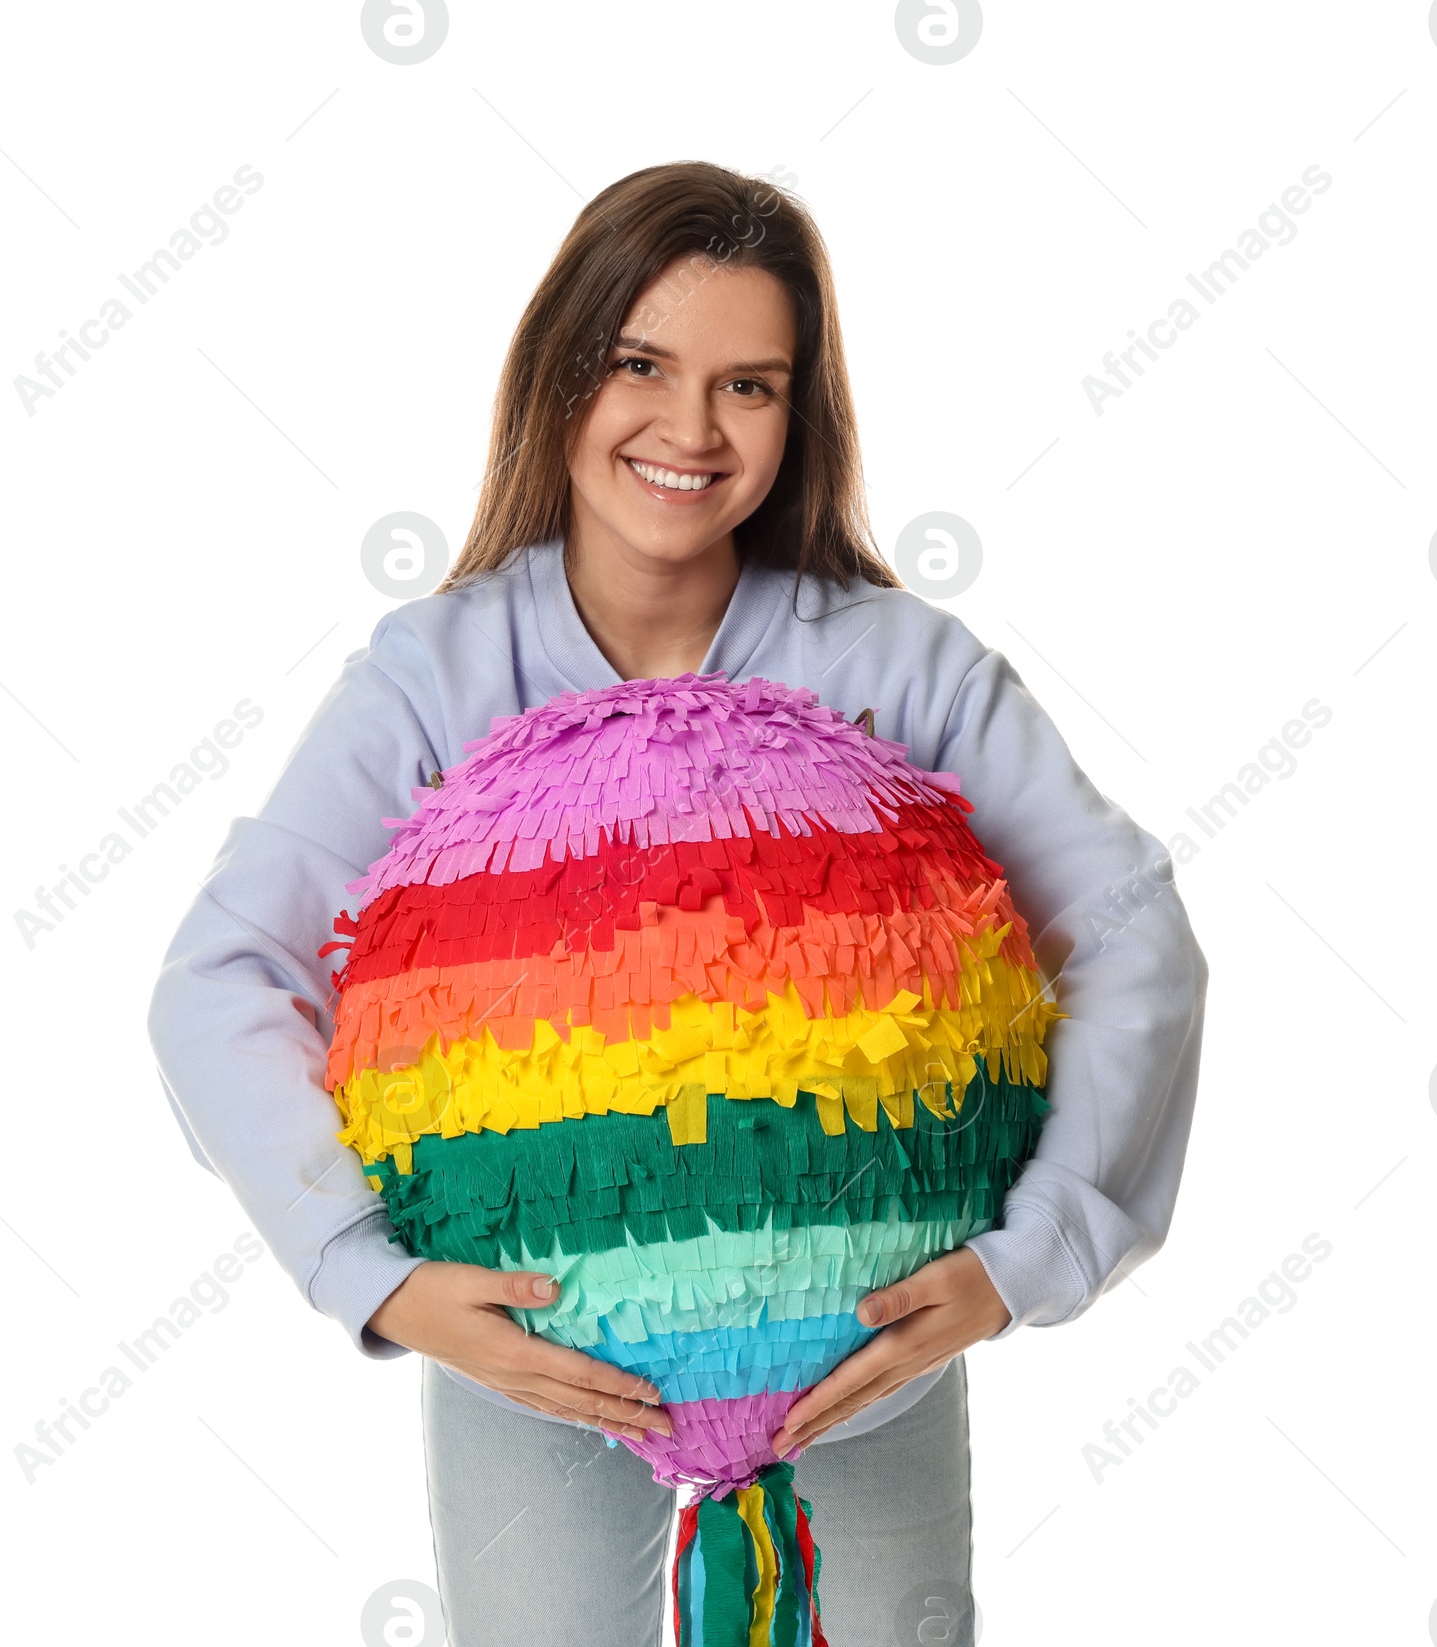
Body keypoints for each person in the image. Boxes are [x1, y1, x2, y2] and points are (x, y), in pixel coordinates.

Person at [148, 160, 1209, 1647]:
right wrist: (372, 1280)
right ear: (559, 373)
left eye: (751, 385)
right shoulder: (434, 675)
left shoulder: (903, 670)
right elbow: (223, 974)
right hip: (535, 1349)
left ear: (802, 412)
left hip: (861, 1336)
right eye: (640, 364)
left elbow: (1129, 927)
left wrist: (1030, 1257)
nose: (691, 431)